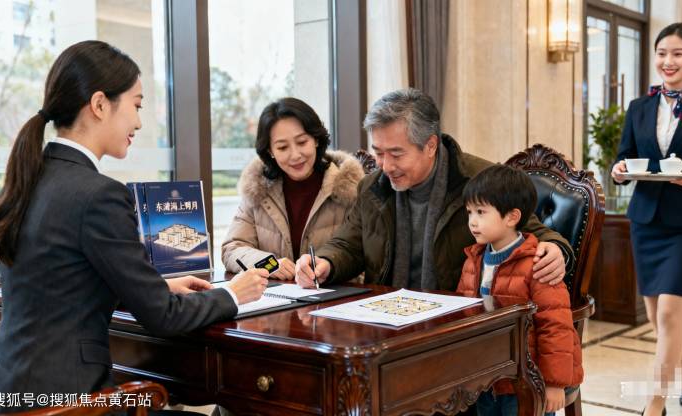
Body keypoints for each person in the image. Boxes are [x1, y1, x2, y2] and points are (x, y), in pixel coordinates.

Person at [0, 40, 268, 413]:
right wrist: (233, 293)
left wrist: (155, 287)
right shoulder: (99, 195)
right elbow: (163, 316)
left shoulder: (29, 177)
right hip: (69, 401)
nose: (139, 122)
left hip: (6, 390)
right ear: (100, 105)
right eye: (137, 105)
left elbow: (57, 283)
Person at [295, 88, 573, 291]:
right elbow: (348, 245)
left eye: (396, 154)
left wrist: (557, 250)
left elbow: (534, 233)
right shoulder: (372, 186)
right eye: (378, 153)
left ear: (430, 146)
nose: (385, 166)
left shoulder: (480, 182)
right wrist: (325, 262)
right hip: (384, 317)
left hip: (458, 322)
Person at [611, 23, 682, 416]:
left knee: (671, 314)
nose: (668, 61)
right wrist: (619, 170)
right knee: (660, 319)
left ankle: (655, 406)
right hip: (646, 222)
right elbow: (623, 156)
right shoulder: (639, 107)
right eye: (661, 53)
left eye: (677, 53)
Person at [456, 165, 583, 416]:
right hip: (486, 379)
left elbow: (556, 326)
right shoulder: (472, 261)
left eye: (481, 212)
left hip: (527, 381)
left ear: (512, 217)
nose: (472, 221)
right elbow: (463, 315)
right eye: (469, 212)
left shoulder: (538, 264)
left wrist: (555, 384)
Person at [221, 97, 364, 279]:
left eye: (302, 142)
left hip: (337, 293)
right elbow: (232, 249)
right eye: (282, 147)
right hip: (274, 294)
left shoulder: (350, 189)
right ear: (270, 152)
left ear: (316, 140)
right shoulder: (257, 189)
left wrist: (326, 268)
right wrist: (270, 265)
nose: (295, 155)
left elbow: (362, 255)